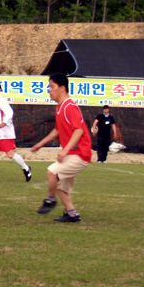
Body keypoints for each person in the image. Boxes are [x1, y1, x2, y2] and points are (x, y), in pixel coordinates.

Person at [31, 73, 92, 223]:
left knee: (52, 172)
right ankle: (72, 215)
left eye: (52, 86)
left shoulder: (70, 107)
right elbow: (57, 130)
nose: (49, 90)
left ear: (62, 88)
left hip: (80, 154)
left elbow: (79, 130)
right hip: (72, 154)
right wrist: (40, 144)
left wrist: (65, 150)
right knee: (60, 186)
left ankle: (50, 200)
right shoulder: (60, 108)